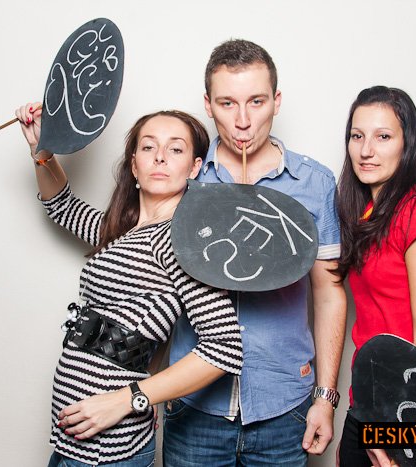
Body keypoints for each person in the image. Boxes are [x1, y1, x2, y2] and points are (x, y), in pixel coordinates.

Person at [14, 104, 243, 466]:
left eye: (176, 149)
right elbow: (61, 206)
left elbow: (224, 347)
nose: (160, 157)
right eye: (149, 147)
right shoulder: (119, 231)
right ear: (135, 165)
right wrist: (41, 149)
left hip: (109, 448)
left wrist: (128, 399)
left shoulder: (180, 243)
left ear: (194, 167)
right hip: (74, 441)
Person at [162, 39, 347, 466]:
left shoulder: (314, 184)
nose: (243, 121)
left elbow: (329, 293)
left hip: (284, 405)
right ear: (208, 105)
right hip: (194, 404)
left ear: (276, 101)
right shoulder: (184, 178)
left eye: (256, 102)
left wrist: (325, 398)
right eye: (227, 103)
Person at [334, 86, 416, 467]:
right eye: (357, 136)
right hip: (367, 402)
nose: (366, 150)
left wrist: (390, 431)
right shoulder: (368, 215)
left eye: (383, 137)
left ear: (408, 144)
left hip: (408, 409)